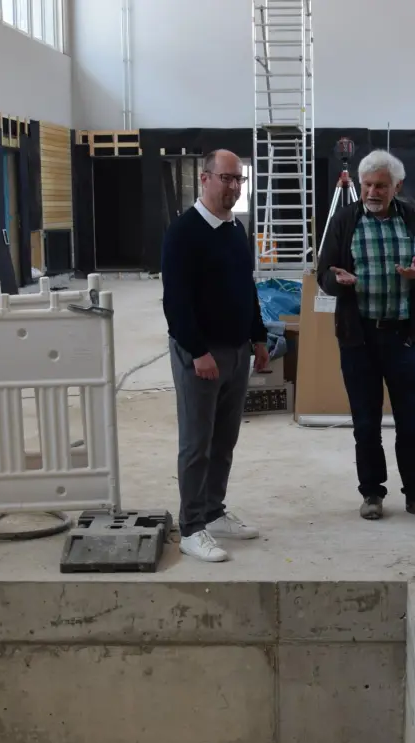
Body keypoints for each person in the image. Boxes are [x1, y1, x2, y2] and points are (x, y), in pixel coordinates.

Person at [317, 150, 415, 522]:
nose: (373, 192)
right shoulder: (345, 220)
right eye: (368, 185)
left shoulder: (412, 218)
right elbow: (324, 272)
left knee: (411, 422)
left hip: (403, 338)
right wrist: (336, 282)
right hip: (359, 340)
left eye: (381, 186)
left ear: (397, 187)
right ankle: (372, 493)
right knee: (365, 423)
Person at [160, 149, 271, 563]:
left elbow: (247, 290)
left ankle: (213, 511)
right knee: (196, 443)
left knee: (225, 440)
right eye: (226, 179)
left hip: (237, 351)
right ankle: (191, 527)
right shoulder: (183, 233)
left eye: (238, 180)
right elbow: (176, 303)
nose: (234, 187)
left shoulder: (235, 230)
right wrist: (198, 352)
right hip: (200, 356)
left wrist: (258, 339)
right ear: (204, 179)